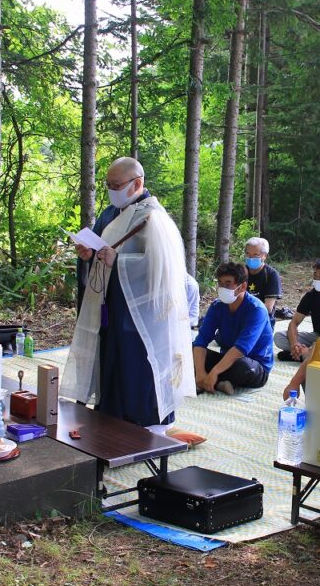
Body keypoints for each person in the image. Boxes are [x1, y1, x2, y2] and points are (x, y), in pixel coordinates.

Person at [63, 157, 195, 429]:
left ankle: (145, 425)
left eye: (117, 185)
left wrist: (119, 261)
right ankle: (111, 418)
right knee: (111, 361)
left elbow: (163, 268)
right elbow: (100, 248)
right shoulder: (111, 213)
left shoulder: (153, 217)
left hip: (140, 312)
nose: (112, 190)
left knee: (137, 365)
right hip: (110, 304)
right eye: (108, 185)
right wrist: (88, 255)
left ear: (137, 183)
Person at [192, 262, 274, 395]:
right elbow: (201, 340)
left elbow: (241, 349)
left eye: (228, 283)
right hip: (226, 359)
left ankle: (214, 379)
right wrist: (200, 372)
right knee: (189, 350)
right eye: (220, 283)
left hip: (253, 365)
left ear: (242, 287)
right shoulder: (217, 306)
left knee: (243, 367)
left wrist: (215, 371)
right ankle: (215, 382)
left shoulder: (256, 309)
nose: (223, 288)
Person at [274, 258, 320, 362]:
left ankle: (305, 355)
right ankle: (305, 355)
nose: (317, 278)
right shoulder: (311, 296)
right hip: (317, 336)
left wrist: (314, 347)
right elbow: (294, 322)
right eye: (315, 274)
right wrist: (295, 343)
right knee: (279, 337)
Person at [243, 237, 282, 327]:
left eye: (256, 255)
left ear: (265, 256)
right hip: (241, 317)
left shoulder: (271, 275)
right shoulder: (241, 272)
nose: (251, 258)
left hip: (262, 320)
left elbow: (268, 308)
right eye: (248, 254)